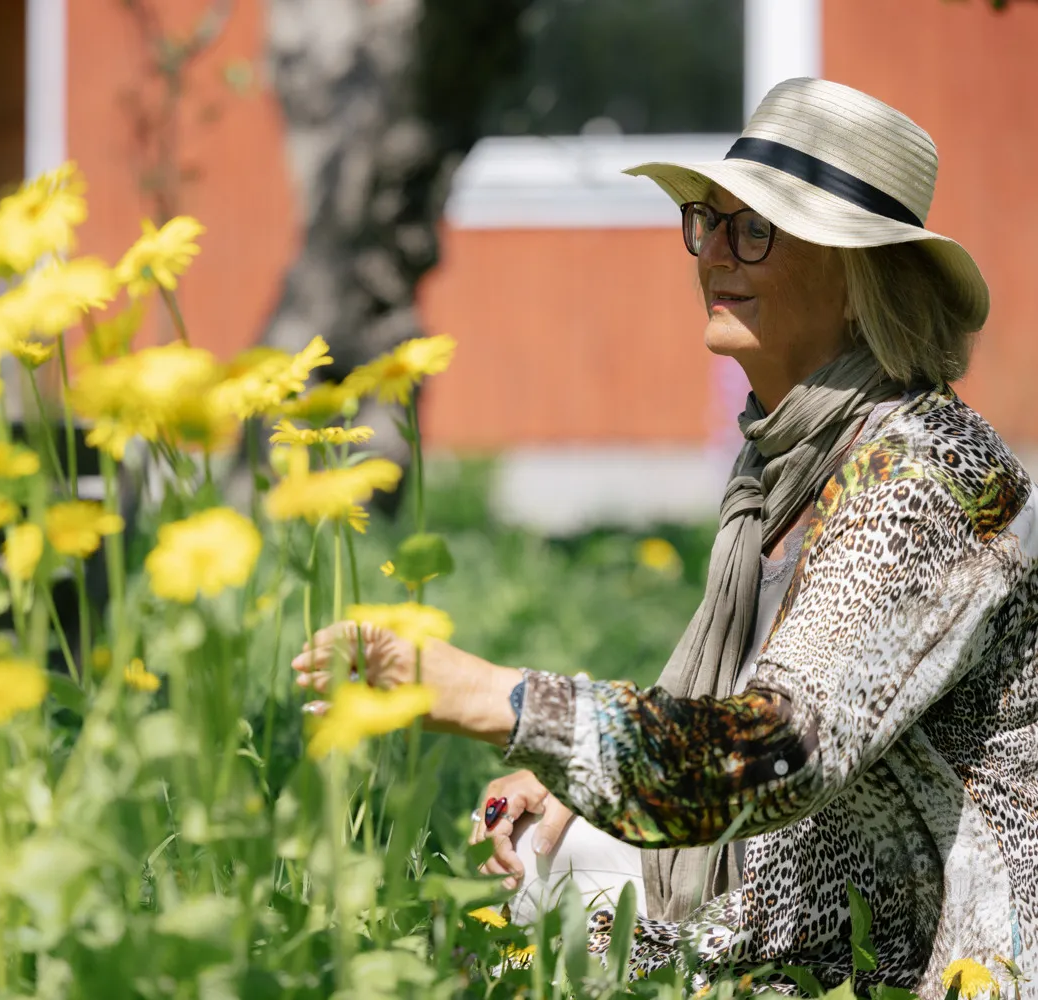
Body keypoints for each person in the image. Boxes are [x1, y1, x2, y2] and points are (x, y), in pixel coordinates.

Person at [292, 77, 1037, 994]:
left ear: (858, 275)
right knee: (529, 862)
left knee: (487, 945)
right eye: (705, 219)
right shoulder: (798, 447)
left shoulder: (920, 480)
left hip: (932, 946)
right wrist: (568, 780)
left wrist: (505, 702)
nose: (715, 253)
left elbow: (774, 752)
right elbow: (756, 697)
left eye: (754, 229)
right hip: (816, 886)